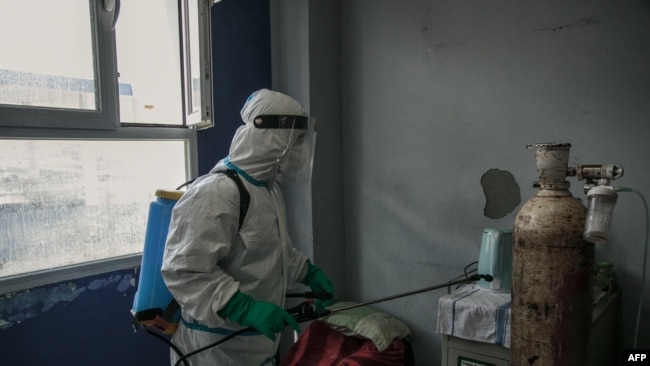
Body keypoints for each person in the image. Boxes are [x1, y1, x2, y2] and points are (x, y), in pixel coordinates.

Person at [161, 89, 334, 365]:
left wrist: (308, 272)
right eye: (297, 140)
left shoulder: (268, 189)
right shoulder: (216, 193)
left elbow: (273, 252)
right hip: (215, 350)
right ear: (272, 137)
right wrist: (241, 307)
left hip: (256, 349)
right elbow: (184, 270)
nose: (301, 149)